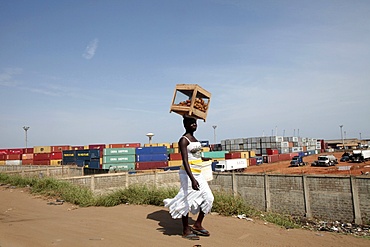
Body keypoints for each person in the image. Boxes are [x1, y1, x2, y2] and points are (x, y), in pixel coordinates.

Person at [164, 116, 214, 240]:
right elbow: (185, 161)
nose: (194, 124)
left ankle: (197, 224)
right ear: (184, 124)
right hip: (187, 175)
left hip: (199, 174)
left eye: (195, 122)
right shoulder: (183, 140)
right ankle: (186, 230)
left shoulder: (195, 139)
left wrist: (203, 159)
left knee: (209, 197)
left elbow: (195, 156)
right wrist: (192, 179)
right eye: (191, 122)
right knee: (186, 200)